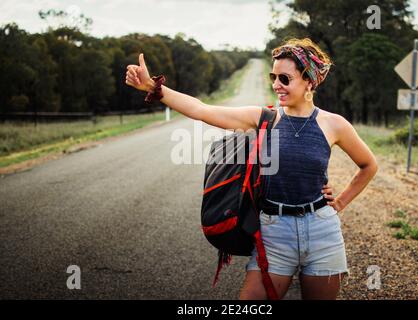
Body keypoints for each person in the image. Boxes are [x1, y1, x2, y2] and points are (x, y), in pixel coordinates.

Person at [125, 37, 377, 300]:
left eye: (285, 79)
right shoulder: (264, 119)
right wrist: (155, 87)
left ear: (309, 81)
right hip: (274, 231)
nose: (276, 85)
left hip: (322, 231)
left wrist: (340, 203)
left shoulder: (334, 125)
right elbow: (201, 109)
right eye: (273, 77)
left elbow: (368, 165)